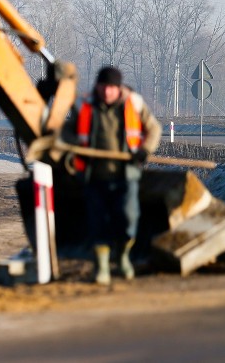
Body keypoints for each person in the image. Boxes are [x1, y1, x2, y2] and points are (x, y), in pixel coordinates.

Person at [62, 66, 162, 286]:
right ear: (97, 86)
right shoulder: (85, 105)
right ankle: (103, 267)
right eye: (103, 87)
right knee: (99, 222)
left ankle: (124, 257)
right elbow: (67, 131)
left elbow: (154, 129)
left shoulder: (133, 104)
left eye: (111, 88)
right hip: (93, 177)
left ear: (119, 88)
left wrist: (144, 150)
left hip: (125, 175)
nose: (107, 92)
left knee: (128, 217)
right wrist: (73, 146)